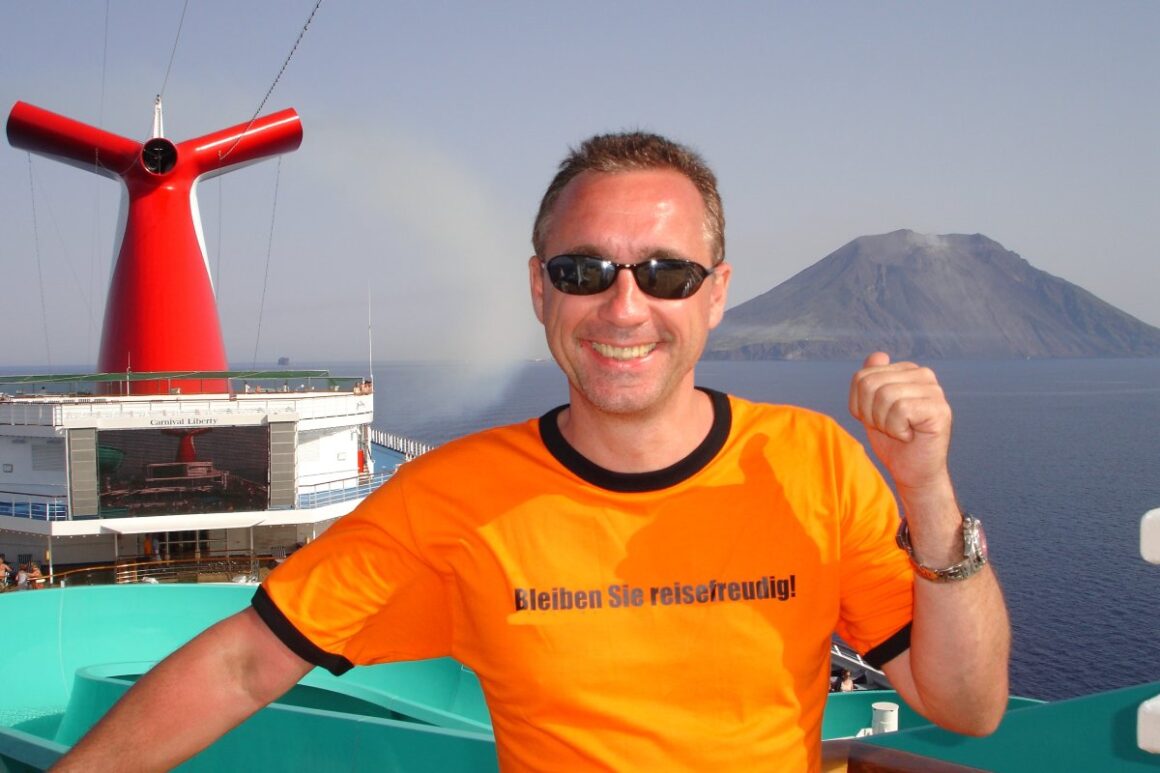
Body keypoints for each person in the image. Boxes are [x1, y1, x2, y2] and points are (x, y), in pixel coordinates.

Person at [52, 132, 1009, 772]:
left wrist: (925, 489)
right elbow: (243, 667)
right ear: (540, 292)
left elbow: (965, 705)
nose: (625, 307)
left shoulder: (812, 463)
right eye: (584, 271)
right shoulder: (452, 499)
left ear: (715, 294)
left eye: (666, 273)